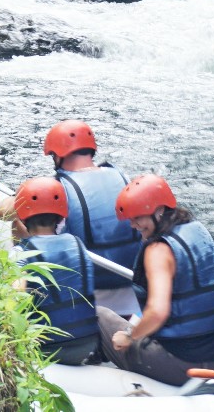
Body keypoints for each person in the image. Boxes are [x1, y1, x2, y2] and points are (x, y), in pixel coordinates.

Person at [103, 173, 214, 385]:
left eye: (138, 217)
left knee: (100, 316)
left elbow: (158, 313)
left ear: (160, 211)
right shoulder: (201, 233)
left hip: (181, 365)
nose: (133, 225)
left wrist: (129, 336)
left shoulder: (158, 250)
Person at [42, 119, 145, 337]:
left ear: (57, 155)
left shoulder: (60, 189)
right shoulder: (123, 177)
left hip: (90, 291)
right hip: (132, 286)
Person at [10, 176, 103, 366]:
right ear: (60, 217)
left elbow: (14, 302)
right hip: (89, 343)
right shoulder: (78, 245)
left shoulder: (21, 253)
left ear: (23, 217)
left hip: (48, 349)